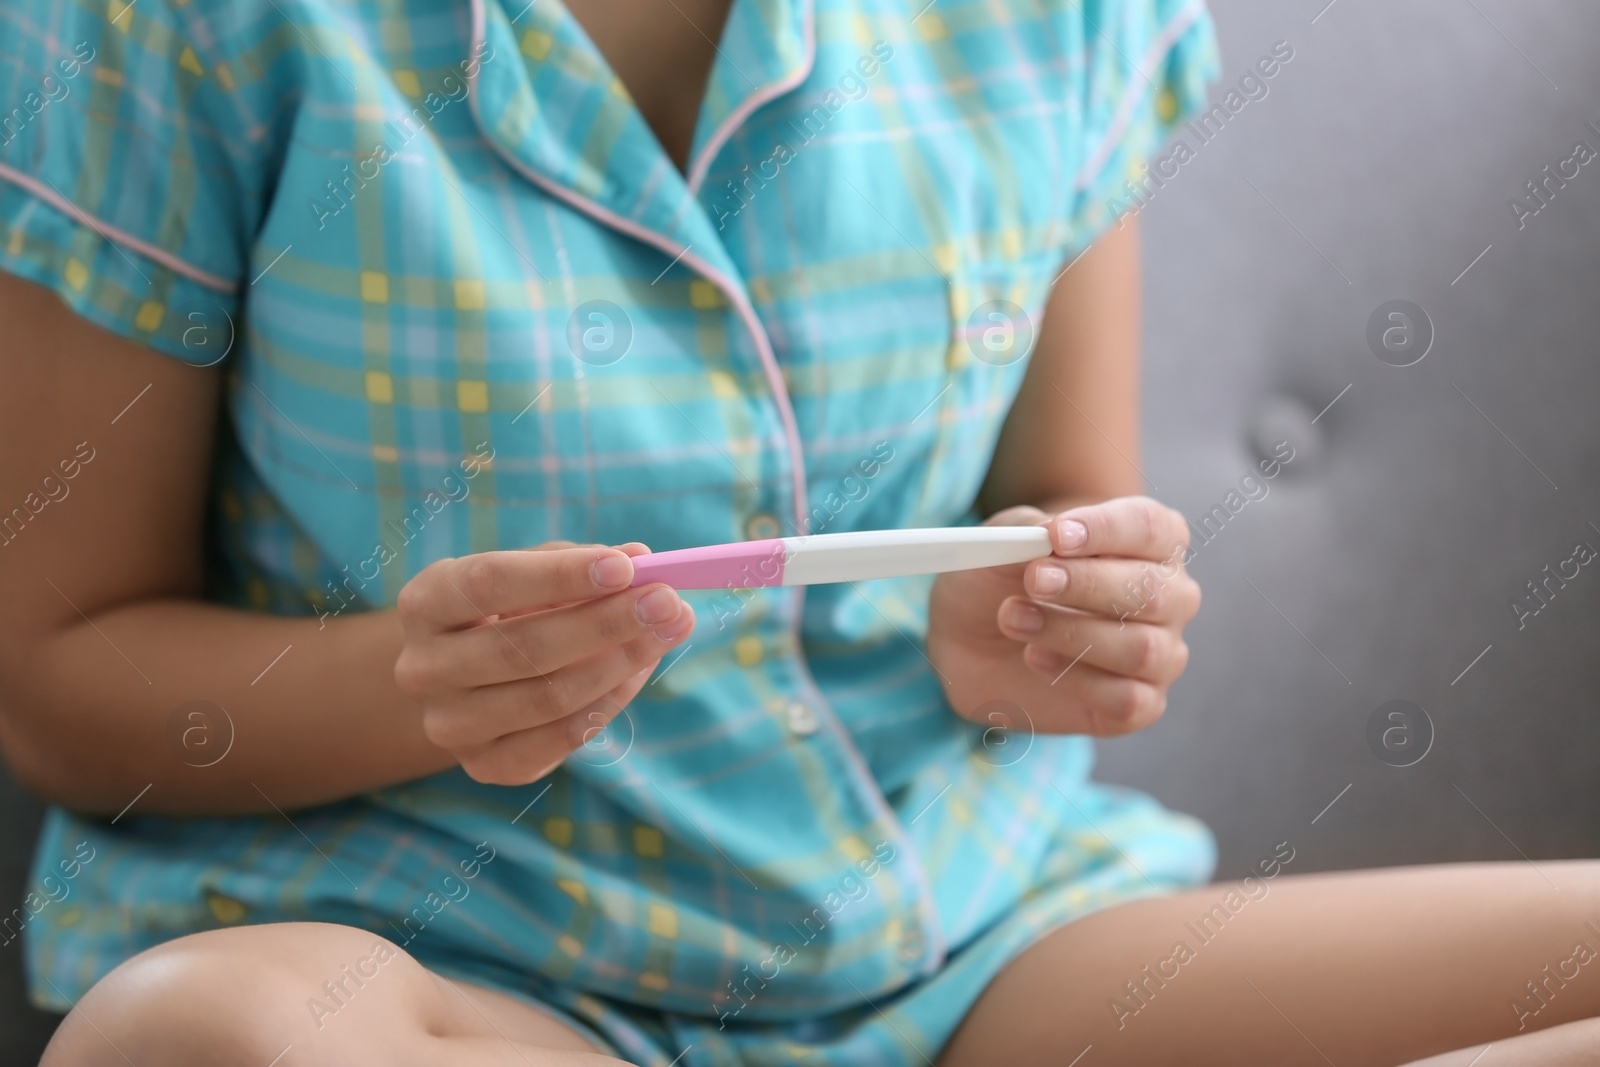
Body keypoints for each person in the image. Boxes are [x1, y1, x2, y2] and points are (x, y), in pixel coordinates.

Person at [1, 0, 1597, 1063]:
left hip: (986, 968)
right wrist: (411, 692)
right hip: (479, 992)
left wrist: (1038, 628)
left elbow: (1053, 517)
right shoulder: (168, 31)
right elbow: (59, 684)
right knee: (195, 1038)